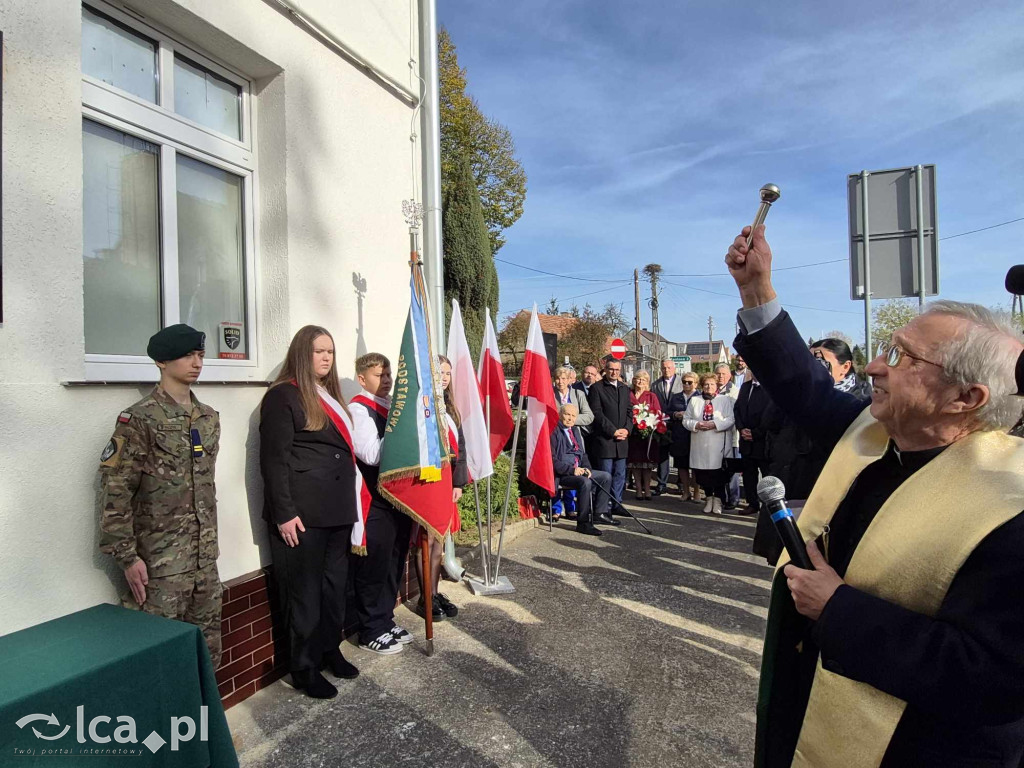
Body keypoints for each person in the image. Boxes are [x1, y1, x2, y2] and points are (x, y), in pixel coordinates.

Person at [727, 224, 1024, 767]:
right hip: (811, 702)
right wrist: (756, 290)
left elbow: (994, 674)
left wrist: (838, 608)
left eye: (905, 358)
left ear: (966, 397)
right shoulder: (878, 432)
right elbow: (803, 386)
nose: (872, 366)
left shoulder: (1010, 506)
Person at [98, 324, 222, 666]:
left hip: (204, 561)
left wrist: (208, 553)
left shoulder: (208, 418)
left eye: (200, 354)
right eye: (186, 356)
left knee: (206, 656)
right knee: (160, 660)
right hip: (160, 565)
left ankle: (201, 719)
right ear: (161, 362)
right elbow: (116, 489)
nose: (196, 362)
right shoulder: (138, 419)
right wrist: (127, 556)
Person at [260, 326, 363, 699]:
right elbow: (274, 460)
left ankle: (328, 650)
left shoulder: (329, 396)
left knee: (333, 589)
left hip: (336, 511)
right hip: (302, 515)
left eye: (331, 352)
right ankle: (303, 667)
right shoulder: (283, 395)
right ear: (302, 353)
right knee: (303, 594)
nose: (325, 358)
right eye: (319, 351)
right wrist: (283, 513)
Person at [349, 353, 413, 656]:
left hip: (399, 500)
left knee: (394, 562)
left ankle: (385, 619)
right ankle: (370, 628)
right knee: (374, 566)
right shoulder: (359, 409)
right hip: (375, 501)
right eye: (379, 375)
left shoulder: (390, 407)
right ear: (363, 379)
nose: (386, 380)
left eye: (388, 374)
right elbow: (371, 454)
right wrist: (399, 430)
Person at [412, 355, 468, 622]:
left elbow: (461, 448)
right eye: (439, 373)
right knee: (427, 540)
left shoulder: (450, 408)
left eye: (447, 373)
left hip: (448, 482)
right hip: (429, 482)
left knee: (439, 542)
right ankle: (425, 597)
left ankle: (434, 593)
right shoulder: (422, 405)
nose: (444, 378)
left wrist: (458, 482)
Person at [550, 404, 612, 537]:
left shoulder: (575, 430)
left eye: (573, 416)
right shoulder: (554, 431)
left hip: (579, 469)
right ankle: (583, 523)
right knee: (585, 483)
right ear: (560, 415)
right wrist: (572, 470)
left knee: (605, 476)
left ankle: (599, 513)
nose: (570, 418)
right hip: (563, 473)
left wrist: (587, 468)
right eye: (567, 414)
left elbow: (583, 455)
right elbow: (552, 460)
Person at [586, 359, 631, 524]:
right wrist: (613, 431)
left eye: (617, 369)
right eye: (611, 369)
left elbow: (629, 412)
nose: (614, 372)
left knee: (620, 474)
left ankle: (616, 503)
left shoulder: (625, 388)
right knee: (606, 475)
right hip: (605, 439)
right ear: (605, 369)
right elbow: (597, 413)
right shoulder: (597, 388)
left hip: (622, 440)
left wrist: (627, 429)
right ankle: (602, 509)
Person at [683, 373, 735, 515]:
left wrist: (714, 424)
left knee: (717, 473)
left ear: (716, 385)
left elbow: (730, 419)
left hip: (717, 443)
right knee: (703, 473)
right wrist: (697, 424)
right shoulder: (694, 400)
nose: (709, 387)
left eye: (712, 384)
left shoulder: (724, 400)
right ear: (701, 386)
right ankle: (709, 499)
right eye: (706, 384)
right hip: (700, 442)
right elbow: (686, 420)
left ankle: (718, 500)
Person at [733, 368, 770, 518]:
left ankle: (769, 506)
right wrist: (741, 429)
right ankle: (752, 503)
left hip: (763, 441)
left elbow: (771, 413)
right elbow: (737, 409)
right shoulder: (746, 386)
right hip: (746, 440)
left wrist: (756, 433)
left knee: (767, 475)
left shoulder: (770, 387)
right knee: (749, 475)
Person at [627, 370, 663, 500]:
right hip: (633, 434)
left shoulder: (651, 396)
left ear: (647, 382)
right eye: (637, 379)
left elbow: (658, 412)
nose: (640, 381)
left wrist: (649, 420)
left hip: (647, 434)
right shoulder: (628, 394)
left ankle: (647, 489)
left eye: (643, 379)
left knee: (647, 464)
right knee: (635, 463)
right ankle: (638, 489)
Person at [652, 359, 684, 496]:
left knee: (679, 455)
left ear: (674, 368)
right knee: (662, 455)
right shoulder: (655, 385)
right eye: (664, 368)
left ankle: (681, 484)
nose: (666, 370)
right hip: (662, 424)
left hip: (679, 424)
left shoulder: (683, 383)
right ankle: (661, 483)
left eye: (669, 367)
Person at [667, 372, 701, 502]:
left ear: (696, 383)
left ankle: (697, 491)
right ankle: (686, 491)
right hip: (680, 434)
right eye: (684, 382)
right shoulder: (676, 397)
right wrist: (676, 414)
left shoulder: (700, 397)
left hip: (695, 435)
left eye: (690, 382)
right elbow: (667, 412)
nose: (686, 384)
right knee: (682, 464)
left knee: (696, 465)